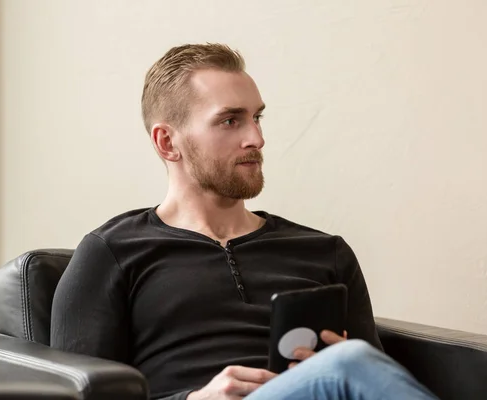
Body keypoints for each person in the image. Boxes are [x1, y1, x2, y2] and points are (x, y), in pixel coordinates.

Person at [51, 43, 438, 400]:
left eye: (257, 118)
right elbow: (73, 395)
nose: (256, 138)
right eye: (230, 121)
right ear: (168, 142)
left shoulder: (325, 252)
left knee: (349, 362)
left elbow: (375, 377)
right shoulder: (113, 253)